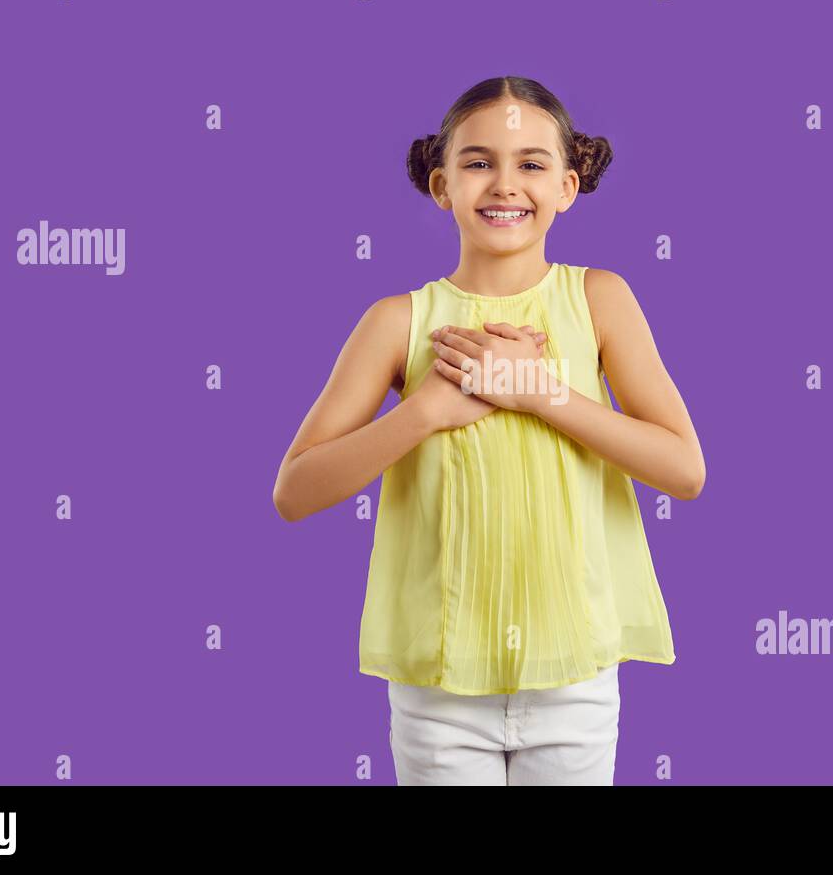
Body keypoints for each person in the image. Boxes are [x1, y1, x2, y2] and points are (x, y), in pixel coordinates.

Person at [272, 76, 705, 785]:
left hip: (574, 679)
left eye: (531, 163)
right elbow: (295, 490)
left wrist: (539, 392)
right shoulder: (397, 322)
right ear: (441, 185)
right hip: (439, 688)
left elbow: (684, 469)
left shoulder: (600, 299)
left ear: (568, 184)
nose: (505, 185)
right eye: (479, 163)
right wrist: (423, 413)